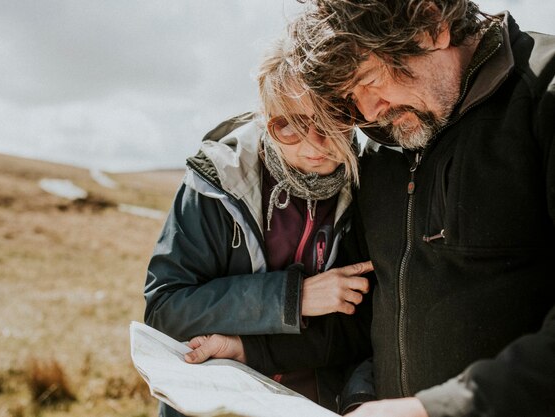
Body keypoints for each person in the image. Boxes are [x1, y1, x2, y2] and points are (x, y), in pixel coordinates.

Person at [184, 1, 555, 416]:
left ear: (432, 24)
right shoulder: (382, 147)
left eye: (370, 79)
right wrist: (250, 349)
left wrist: (435, 409)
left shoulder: (544, 95)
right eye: (349, 98)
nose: (367, 112)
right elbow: (365, 319)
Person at [143, 36, 375, 417]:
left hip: (315, 401)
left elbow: (367, 326)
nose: (314, 143)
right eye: (290, 126)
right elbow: (165, 310)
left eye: (331, 119)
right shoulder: (216, 181)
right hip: (214, 400)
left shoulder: (371, 187)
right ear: (268, 121)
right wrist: (291, 299)